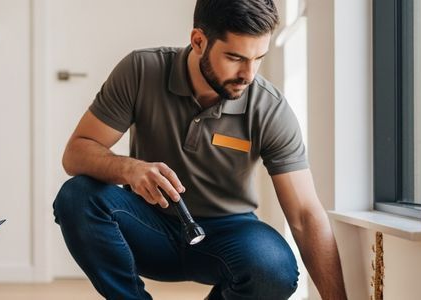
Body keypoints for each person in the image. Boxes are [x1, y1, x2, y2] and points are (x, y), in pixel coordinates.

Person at [53, 0, 348, 299]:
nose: (248, 74)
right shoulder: (141, 70)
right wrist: (130, 169)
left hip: (228, 234)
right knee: (77, 196)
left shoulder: (269, 108)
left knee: (274, 268)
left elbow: (305, 215)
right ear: (198, 41)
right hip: (147, 227)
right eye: (235, 57)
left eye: (258, 58)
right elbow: (76, 153)